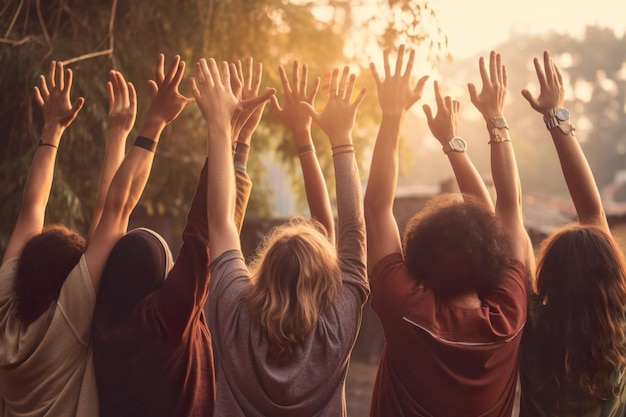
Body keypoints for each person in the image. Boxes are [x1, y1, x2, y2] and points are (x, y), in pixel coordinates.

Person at [91, 56, 273, 417]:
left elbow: (110, 214)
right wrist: (225, 132)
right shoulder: (165, 322)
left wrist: (235, 142)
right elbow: (205, 236)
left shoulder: (97, 320)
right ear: (158, 285)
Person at [195, 57, 368, 416]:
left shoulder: (234, 315)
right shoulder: (336, 328)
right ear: (327, 283)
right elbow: (352, 232)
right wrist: (336, 139)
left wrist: (223, 128)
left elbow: (221, 222)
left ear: (265, 269)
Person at [365, 46, 531, 416]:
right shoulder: (507, 317)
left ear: (418, 262)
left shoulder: (407, 311)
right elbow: (508, 207)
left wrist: (392, 116)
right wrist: (490, 122)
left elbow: (376, 208)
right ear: (491, 255)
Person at [0, 59, 142, 415]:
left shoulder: (4, 314)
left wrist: (51, 131)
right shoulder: (69, 318)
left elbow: (31, 208)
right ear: (68, 281)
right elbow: (110, 212)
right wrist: (121, 133)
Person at [518, 51, 626, 416]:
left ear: (547, 276)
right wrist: (556, 117)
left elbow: (591, 216)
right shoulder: (621, 328)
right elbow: (594, 213)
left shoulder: (530, 324)